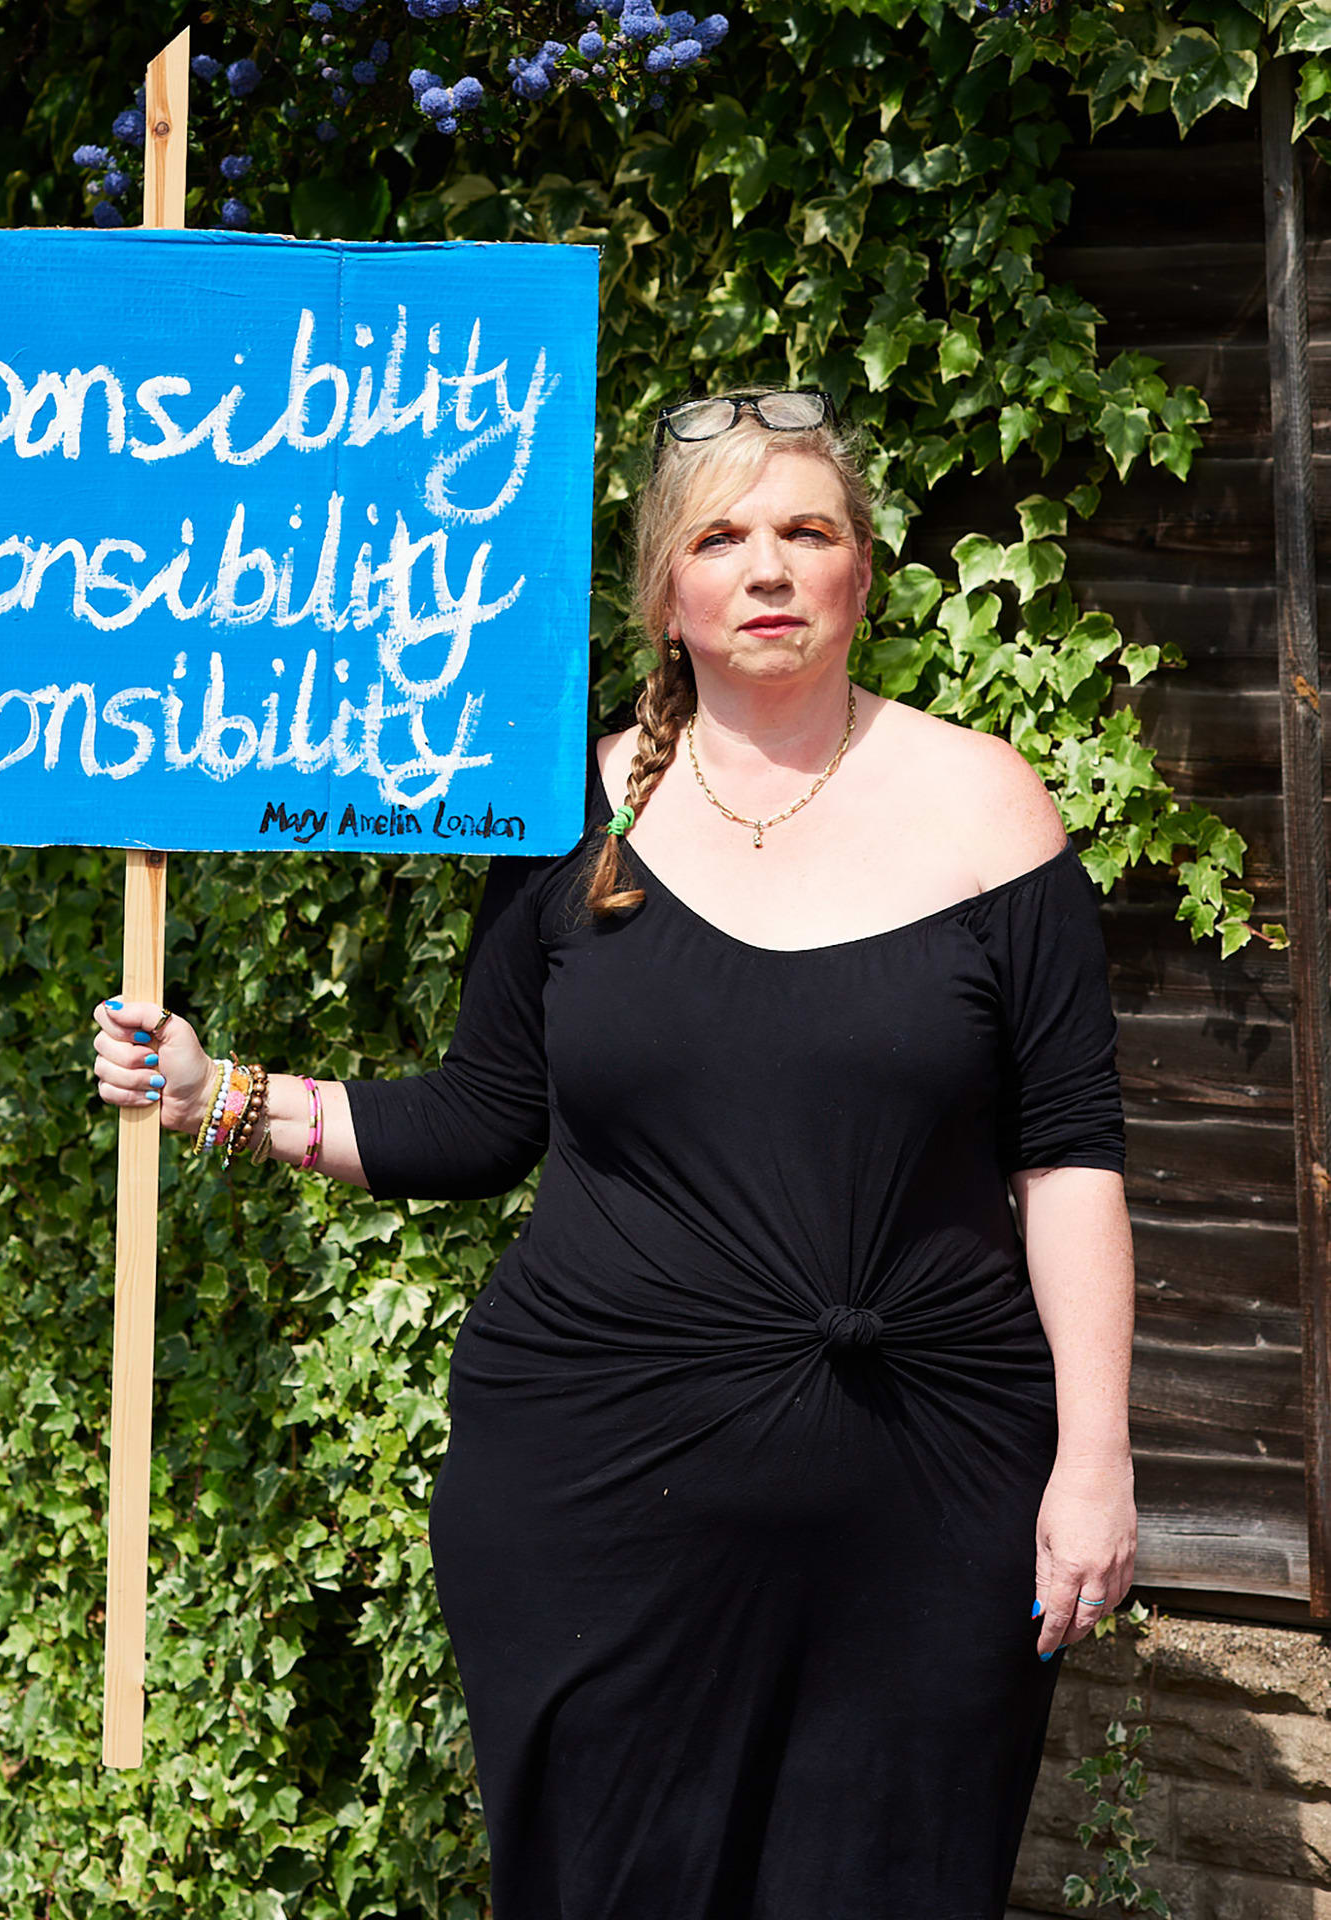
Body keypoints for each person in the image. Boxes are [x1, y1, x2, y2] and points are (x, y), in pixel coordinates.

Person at [90, 385, 1136, 1920]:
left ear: (863, 571)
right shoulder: (565, 823)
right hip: (594, 1494)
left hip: (930, 1501)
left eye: (806, 530)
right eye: (720, 538)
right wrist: (217, 1094)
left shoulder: (990, 810)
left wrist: (1094, 1462)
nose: (766, 569)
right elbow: (475, 1118)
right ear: (664, 593)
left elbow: (1069, 1157)